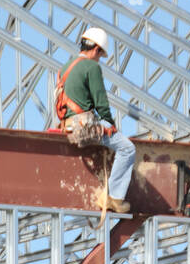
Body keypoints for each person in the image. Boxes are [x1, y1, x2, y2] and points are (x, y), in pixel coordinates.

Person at [58, 26, 136, 214]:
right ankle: (114, 198)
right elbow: (101, 102)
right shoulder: (92, 67)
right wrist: (110, 125)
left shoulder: (66, 66)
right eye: (100, 55)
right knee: (127, 148)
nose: (99, 58)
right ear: (96, 49)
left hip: (67, 125)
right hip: (83, 128)